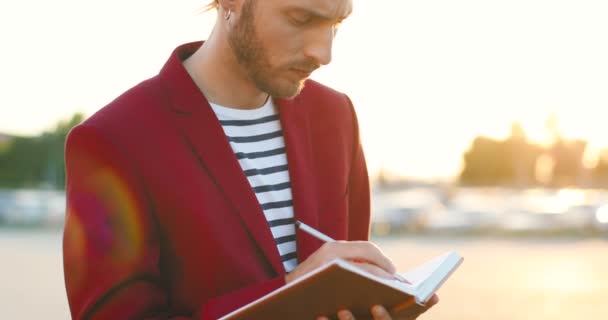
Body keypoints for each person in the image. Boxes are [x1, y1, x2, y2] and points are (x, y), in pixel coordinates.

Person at [63, 0, 438, 319]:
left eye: (336, 23)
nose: (323, 54)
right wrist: (291, 292)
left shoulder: (336, 115)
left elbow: (351, 280)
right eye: (301, 19)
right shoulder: (113, 139)